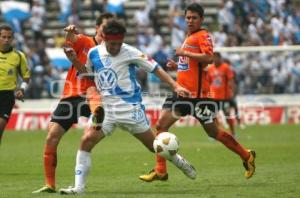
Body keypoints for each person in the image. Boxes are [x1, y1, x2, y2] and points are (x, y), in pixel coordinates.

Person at [59, 19, 196, 195]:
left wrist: (175, 86)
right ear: (104, 38)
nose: (116, 47)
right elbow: (88, 75)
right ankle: (79, 188)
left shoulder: (131, 52)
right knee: (86, 141)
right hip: (106, 109)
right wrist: (74, 60)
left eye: (119, 43)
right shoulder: (94, 53)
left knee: (154, 146)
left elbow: (155, 68)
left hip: (130, 109)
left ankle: (179, 161)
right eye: (112, 43)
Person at [139, 3, 256, 182]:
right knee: (161, 125)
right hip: (182, 93)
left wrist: (184, 52)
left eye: (194, 18)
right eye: (188, 17)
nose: (190, 20)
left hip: (199, 97)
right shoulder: (189, 37)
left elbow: (208, 58)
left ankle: (246, 156)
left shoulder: (203, 35)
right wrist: (177, 65)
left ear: (201, 19)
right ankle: (160, 170)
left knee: (214, 132)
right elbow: (193, 66)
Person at [32, 13, 114, 194]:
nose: (108, 30)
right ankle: (49, 184)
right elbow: (71, 43)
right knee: (51, 136)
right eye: (105, 27)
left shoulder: (112, 51)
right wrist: (69, 35)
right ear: (97, 28)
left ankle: (97, 115)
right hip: (71, 94)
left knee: (92, 118)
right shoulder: (85, 41)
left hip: (93, 94)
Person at [0, 24, 30, 144]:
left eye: (9, 37)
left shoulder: (19, 56)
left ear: (12, 38)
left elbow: (26, 77)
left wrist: (21, 89)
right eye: (3, 37)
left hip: (6, 97)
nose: (6, 40)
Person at [207, 52, 236, 135]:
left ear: (220, 58)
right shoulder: (210, 69)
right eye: (213, 58)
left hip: (225, 97)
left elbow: (231, 80)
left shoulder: (226, 67)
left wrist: (232, 92)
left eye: (216, 57)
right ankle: (218, 132)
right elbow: (208, 82)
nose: (215, 59)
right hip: (213, 97)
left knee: (227, 116)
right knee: (213, 116)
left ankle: (233, 133)